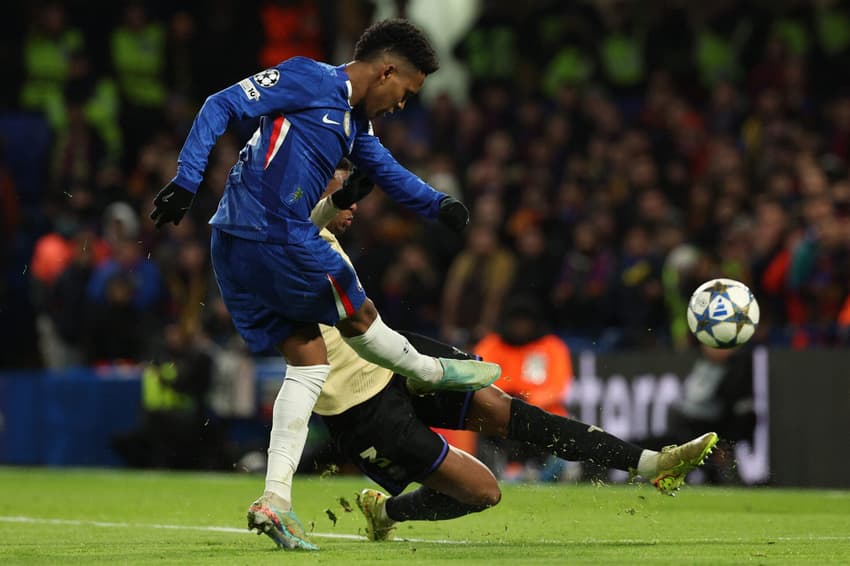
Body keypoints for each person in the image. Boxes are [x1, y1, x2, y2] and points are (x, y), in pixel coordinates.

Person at [149, 19, 501, 550]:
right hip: (276, 234)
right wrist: (186, 177)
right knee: (358, 314)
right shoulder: (311, 79)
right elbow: (220, 103)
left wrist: (439, 205)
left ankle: (276, 501)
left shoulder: (355, 127)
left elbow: (386, 171)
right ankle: (431, 371)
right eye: (406, 92)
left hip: (234, 243)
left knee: (309, 360)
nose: (402, 105)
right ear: (386, 71)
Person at [306, 164, 718, 546]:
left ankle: (652, 465)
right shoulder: (284, 241)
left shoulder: (320, 234)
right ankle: (386, 511)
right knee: (483, 492)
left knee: (514, 413)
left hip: (394, 354)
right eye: (342, 190)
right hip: (359, 405)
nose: (354, 202)